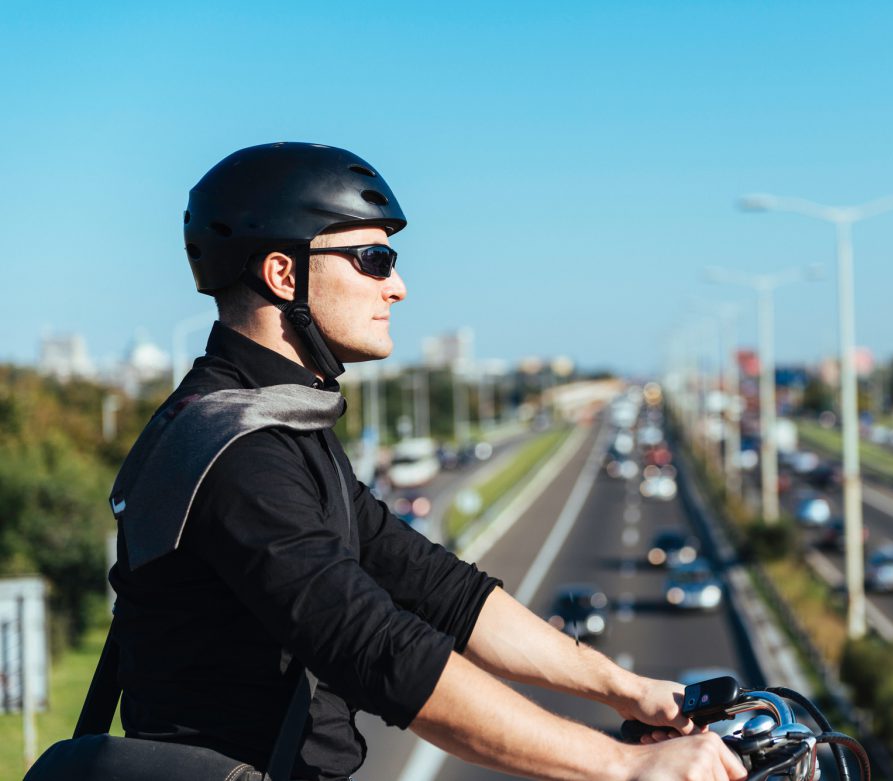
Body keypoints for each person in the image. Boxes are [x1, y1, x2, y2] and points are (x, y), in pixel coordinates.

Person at [108, 142, 746, 781]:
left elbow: (436, 588)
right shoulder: (238, 451)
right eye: (373, 260)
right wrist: (625, 767)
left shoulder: (278, 423)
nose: (399, 287)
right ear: (282, 274)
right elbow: (380, 649)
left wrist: (626, 689)